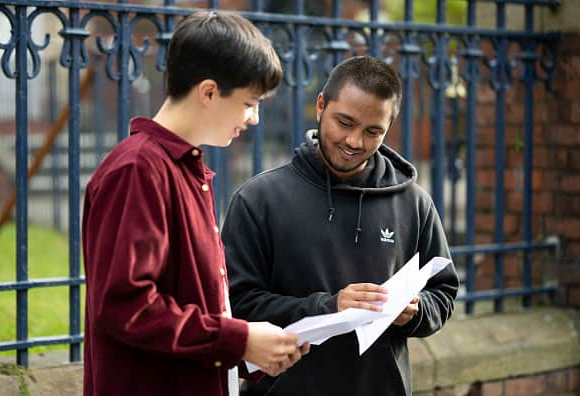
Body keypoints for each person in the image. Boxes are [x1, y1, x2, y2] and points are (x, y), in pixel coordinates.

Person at [81, 10, 309, 396]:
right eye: (249, 102)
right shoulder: (138, 170)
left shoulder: (184, 170)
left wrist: (252, 353)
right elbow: (127, 307)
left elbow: (196, 303)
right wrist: (238, 340)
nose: (254, 118)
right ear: (208, 92)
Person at [221, 55, 460, 396]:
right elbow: (236, 306)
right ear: (321, 106)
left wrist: (416, 311)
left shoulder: (414, 203)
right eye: (344, 123)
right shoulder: (259, 199)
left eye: (372, 131)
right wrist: (328, 307)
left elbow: (444, 293)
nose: (354, 141)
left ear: (388, 128)